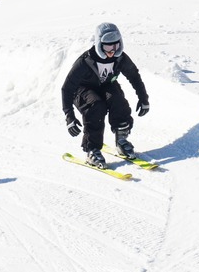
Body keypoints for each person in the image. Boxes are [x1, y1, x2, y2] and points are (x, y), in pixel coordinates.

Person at [61, 22, 150, 168]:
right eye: (108, 46)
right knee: (96, 106)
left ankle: (121, 140)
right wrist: (69, 116)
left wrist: (143, 98)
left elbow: (134, 76)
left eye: (115, 46)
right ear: (99, 44)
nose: (112, 51)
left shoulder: (120, 58)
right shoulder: (85, 61)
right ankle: (92, 149)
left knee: (119, 101)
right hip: (83, 89)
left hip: (106, 85)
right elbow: (66, 88)